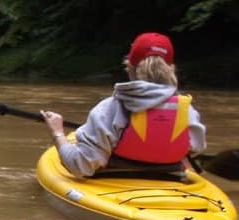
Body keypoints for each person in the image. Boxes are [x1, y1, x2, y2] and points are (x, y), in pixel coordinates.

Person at [40, 32, 206, 178]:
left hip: (113, 180)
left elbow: (81, 167)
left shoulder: (109, 109)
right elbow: (195, 148)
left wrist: (57, 132)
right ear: (172, 68)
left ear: (130, 68)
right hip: (171, 180)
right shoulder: (187, 110)